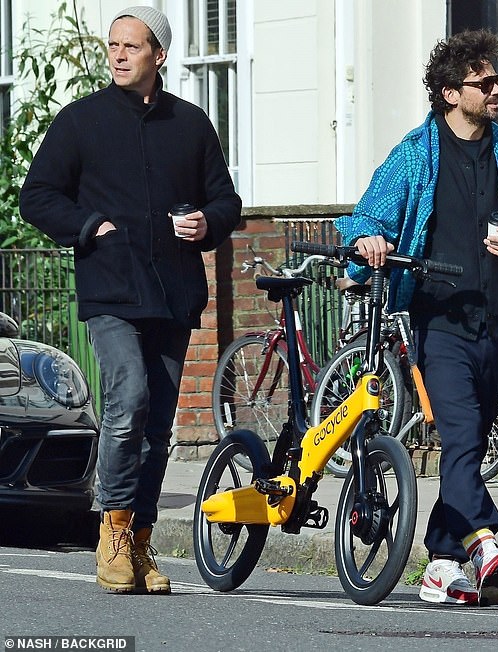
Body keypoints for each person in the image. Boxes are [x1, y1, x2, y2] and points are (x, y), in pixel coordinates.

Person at [19, 6, 241, 594]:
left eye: (131, 46)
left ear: (158, 55)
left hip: (173, 292)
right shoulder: (80, 121)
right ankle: (112, 529)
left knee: (158, 425)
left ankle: (141, 541)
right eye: (113, 45)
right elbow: (36, 196)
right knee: (128, 401)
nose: (118, 55)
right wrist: (88, 223)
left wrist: (206, 224)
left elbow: (226, 200)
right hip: (111, 289)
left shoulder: (191, 124)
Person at [335, 29, 498, 607]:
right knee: (457, 435)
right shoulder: (415, 153)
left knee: (470, 445)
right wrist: (372, 239)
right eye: (486, 82)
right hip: (436, 322)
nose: (497, 89)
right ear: (452, 92)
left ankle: (441, 561)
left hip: (496, 318)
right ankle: (483, 542)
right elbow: (361, 219)